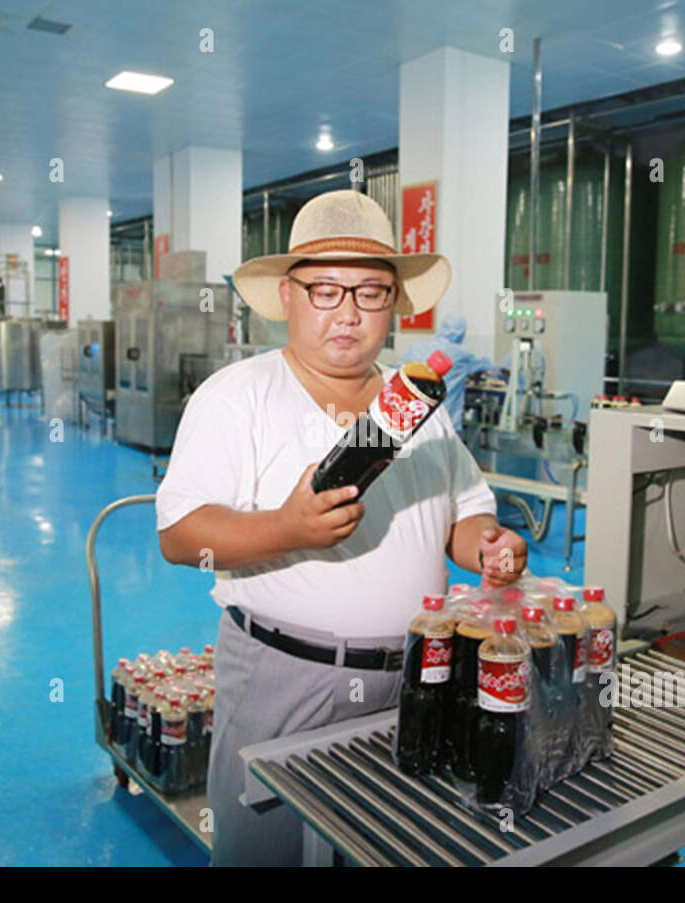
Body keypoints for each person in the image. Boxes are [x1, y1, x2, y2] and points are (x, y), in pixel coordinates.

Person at [157, 190, 528, 865]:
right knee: (266, 852)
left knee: (395, 847)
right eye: (326, 291)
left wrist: (490, 545)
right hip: (286, 678)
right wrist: (287, 528)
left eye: (372, 292)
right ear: (289, 297)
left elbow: (464, 510)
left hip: (419, 678)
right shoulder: (238, 397)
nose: (349, 313)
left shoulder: (416, 404)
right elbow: (180, 536)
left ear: (395, 304)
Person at [399, 312, 492, 431]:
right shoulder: (462, 354)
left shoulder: (416, 348)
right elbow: (485, 366)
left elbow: (396, 372)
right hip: (445, 420)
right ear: (462, 333)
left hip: (414, 418)